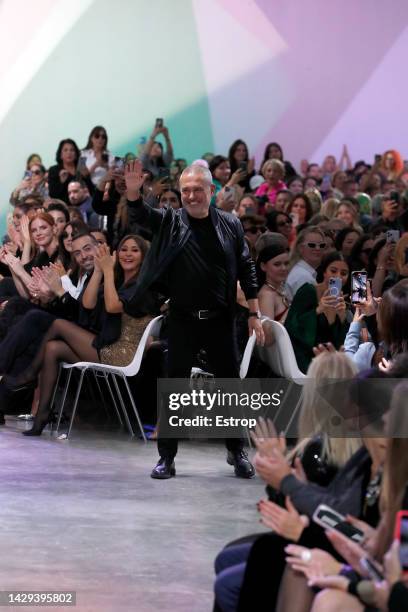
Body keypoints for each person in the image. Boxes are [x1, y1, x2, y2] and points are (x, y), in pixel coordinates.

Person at [124, 160, 264, 479]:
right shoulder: (170, 222)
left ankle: (236, 450)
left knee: (230, 387)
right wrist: (134, 194)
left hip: (220, 319)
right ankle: (167, 458)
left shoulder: (231, 224)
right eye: (185, 190)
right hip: (183, 320)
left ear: (211, 191)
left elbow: (247, 268)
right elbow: (142, 216)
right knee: (173, 388)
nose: (190, 196)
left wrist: (254, 312)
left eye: (197, 189)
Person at [8, 233, 157, 436]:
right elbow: (87, 305)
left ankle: (29, 375)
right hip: (107, 345)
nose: (127, 254)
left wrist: (108, 271)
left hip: (121, 354)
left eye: (134, 250)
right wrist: (98, 272)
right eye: (123, 249)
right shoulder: (119, 282)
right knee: (53, 348)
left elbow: (114, 307)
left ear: (144, 255)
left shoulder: (143, 286)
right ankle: (41, 416)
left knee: (58, 324)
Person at [285, 251, 350, 372]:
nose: (338, 277)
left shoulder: (342, 299)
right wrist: (318, 310)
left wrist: (342, 319)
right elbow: (292, 326)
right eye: (333, 271)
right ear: (324, 272)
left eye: (344, 273)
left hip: (330, 356)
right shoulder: (308, 291)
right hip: (305, 357)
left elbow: (341, 343)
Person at [286, 226, 326, 300]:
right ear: (300, 248)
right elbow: (307, 310)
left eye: (321, 245)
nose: (318, 248)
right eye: (312, 245)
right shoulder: (303, 277)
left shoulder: (303, 272)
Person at [48, 139, 92, 204]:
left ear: (76, 154)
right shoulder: (54, 170)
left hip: (85, 204)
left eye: (72, 150)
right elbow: (53, 195)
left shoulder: (81, 167)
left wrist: (86, 177)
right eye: (65, 150)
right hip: (65, 207)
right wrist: (62, 183)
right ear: (60, 155)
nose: (69, 153)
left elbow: (91, 191)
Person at [256, 243, 290, 323]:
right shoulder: (267, 295)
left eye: (286, 263)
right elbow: (268, 332)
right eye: (277, 264)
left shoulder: (280, 289)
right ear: (263, 266)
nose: (283, 268)